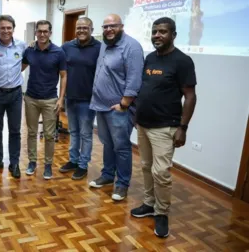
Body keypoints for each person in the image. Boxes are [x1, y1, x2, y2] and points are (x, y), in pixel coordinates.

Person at [131, 17, 197, 238]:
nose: (157, 35)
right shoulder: (150, 58)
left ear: (173, 35)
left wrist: (183, 128)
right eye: (154, 31)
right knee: (146, 167)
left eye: (162, 32)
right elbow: (145, 90)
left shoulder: (182, 61)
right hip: (143, 124)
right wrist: (136, 115)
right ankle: (149, 204)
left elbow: (190, 96)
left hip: (165, 127)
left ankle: (162, 212)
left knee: (161, 172)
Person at [89, 14, 144, 201]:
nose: (108, 30)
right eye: (105, 27)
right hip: (101, 105)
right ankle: (107, 175)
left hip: (119, 108)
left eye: (113, 26)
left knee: (121, 146)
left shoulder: (132, 47)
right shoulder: (105, 43)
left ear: (122, 26)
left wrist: (124, 104)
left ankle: (122, 184)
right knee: (107, 143)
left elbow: (134, 79)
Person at [22, 20, 67, 180]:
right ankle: (32, 162)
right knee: (32, 133)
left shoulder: (58, 52)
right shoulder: (29, 50)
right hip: (31, 98)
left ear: (50, 33)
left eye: (45, 31)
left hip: (50, 100)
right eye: (39, 31)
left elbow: (63, 75)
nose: (42, 34)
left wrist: (61, 99)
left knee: (49, 135)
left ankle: (48, 165)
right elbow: (20, 67)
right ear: (35, 32)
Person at [59, 17, 101, 180]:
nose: (81, 30)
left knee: (86, 133)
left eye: (85, 27)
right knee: (73, 131)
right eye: (79, 28)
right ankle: (73, 160)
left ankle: (83, 165)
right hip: (71, 97)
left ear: (91, 29)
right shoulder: (67, 47)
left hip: (88, 100)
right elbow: (55, 57)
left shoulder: (99, 48)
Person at [0, 15, 26, 179]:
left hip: (16, 94)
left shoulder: (21, 46)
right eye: (3, 27)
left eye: (9, 28)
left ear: (13, 29)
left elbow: (24, 63)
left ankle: (14, 162)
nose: (6, 31)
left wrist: (13, 76)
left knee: (15, 130)